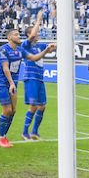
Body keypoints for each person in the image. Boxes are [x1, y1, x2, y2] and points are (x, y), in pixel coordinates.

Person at [19, 10, 56, 141]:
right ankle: (24, 132)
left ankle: (34, 131)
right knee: (33, 106)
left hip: (39, 78)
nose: (38, 34)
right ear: (29, 35)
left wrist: (54, 46)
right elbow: (33, 34)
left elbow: (51, 48)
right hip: (31, 78)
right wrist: (39, 19)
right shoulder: (25, 45)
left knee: (42, 106)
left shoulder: (39, 45)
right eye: (36, 33)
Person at [0, 28, 29, 148]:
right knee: (7, 110)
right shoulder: (3, 50)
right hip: (1, 82)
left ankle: (3, 136)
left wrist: (46, 51)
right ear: (9, 37)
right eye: (16, 34)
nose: (19, 36)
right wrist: (11, 83)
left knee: (13, 111)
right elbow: (5, 68)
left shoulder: (19, 50)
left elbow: (33, 57)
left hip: (13, 83)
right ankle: (0, 137)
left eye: (19, 34)